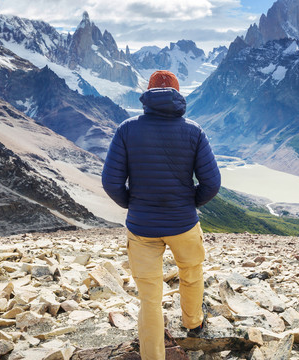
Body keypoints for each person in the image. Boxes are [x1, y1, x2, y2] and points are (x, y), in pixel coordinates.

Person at [101, 70, 221, 360]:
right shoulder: (194, 131)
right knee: (191, 274)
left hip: (142, 228)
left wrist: (133, 203)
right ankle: (193, 323)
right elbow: (212, 183)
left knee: (150, 298)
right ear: (178, 96)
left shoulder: (127, 129)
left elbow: (110, 181)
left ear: (148, 94)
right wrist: (189, 202)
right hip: (183, 224)